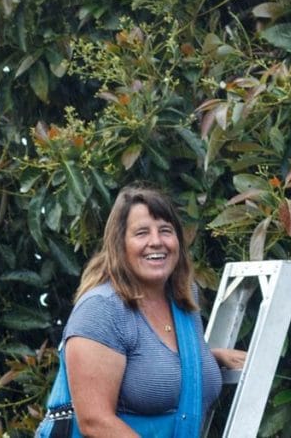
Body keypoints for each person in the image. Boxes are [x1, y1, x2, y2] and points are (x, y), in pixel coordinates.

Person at [35, 185, 246, 437]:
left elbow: (148, 361)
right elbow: (95, 422)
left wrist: (208, 358)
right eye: (142, 233)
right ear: (120, 244)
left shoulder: (183, 298)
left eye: (165, 231)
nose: (156, 242)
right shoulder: (102, 309)